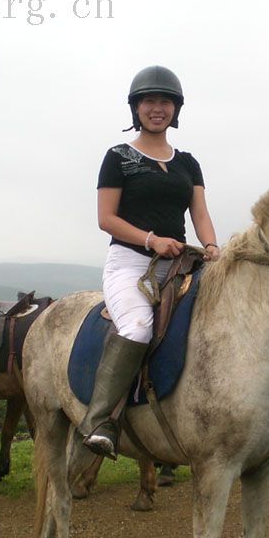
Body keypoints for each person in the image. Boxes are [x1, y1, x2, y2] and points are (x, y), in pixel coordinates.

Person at [77, 65, 220, 460]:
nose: (157, 109)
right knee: (138, 328)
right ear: (136, 108)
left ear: (176, 109)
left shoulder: (187, 162)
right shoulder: (118, 157)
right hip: (130, 264)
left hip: (179, 266)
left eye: (165, 102)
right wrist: (151, 239)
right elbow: (106, 218)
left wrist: (210, 246)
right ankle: (99, 420)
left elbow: (200, 214)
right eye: (149, 102)